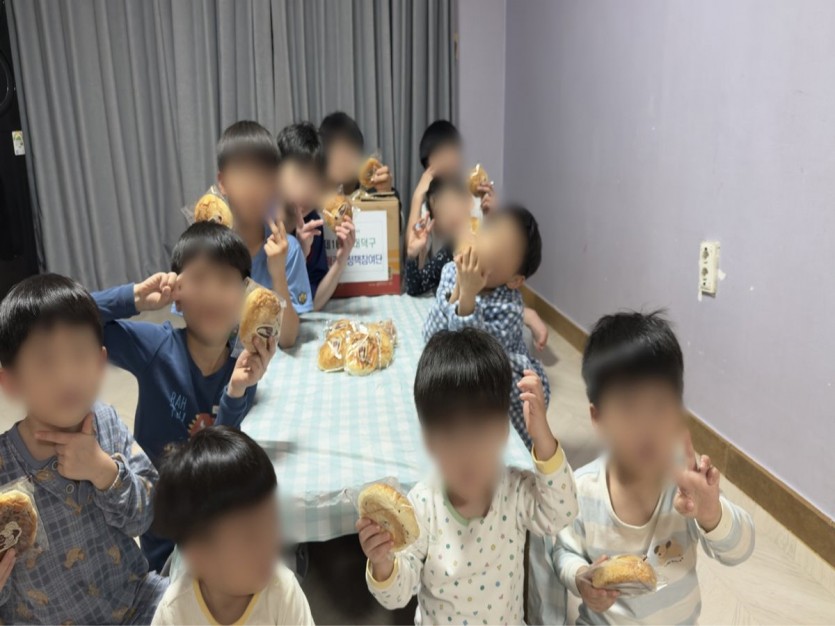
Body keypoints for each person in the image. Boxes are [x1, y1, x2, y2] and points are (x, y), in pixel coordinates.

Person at [359, 328, 577, 625]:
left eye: (480, 431)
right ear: (429, 441)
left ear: (504, 431)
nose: (467, 453)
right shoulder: (423, 504)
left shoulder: (514, 490)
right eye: (450, 434)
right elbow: (397, 596)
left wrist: (543, 438)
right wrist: (382, 562)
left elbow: (562, 512)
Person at [92, 221, 276, 571]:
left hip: (213, 513)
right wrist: (133, 298)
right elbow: (69, 317)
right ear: (177, 292)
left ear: (245, 296)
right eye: (199, 279)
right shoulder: (156, 347)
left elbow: (220, 457)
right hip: (160, 520)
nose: (212, 294)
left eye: (225, 280)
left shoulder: (243, 368)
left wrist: (236, 391)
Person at [554, 312, 755, 624]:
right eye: (628, 407)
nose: (646, 425)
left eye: (660, 405)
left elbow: (739, 550)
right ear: (599, 418)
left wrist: (711, 512)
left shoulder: (685, 488)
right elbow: (563, 552)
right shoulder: (581, 489)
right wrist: (581, 577)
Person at [0, 274, 166, 624]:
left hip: (135, 604)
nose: (67, 376)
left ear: (100, 362)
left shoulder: (106, 421)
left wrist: (103, 471)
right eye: (45, 361)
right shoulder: (4, 469)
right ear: (11, 380)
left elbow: (146, 514)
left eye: (79, 354)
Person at [151, 426, 313, 625]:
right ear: (198, 555)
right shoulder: (175, 612)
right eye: (251, 536)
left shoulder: (283, 592)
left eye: (272, 522)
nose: (272, 542)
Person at [423, 205, 549, 448]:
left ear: (514, 280)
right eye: (488, 231)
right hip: (452, 377)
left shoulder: (510, 307)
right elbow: (432, 337)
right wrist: (460, 287)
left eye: (502, 248)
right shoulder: (451, 271)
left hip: (493, 382)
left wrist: (468, 296)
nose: (486, 245)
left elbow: (475, 359)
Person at [216, 120, 309, 343]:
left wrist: (278, 273)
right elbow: (197, 333)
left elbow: (288, 339)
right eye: (241, 173)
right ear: (223, 182)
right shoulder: (208, 249)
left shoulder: (288, 249)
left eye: (263, 176)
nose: (253, 187)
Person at [276, 121, 356, 310]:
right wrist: (297, 256)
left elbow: (312, 302)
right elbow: (268, 307)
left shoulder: (312, 222)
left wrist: (341, 259)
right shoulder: (260, 223)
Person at [405, 120, 496, 248]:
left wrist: (493, 216)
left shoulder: (479, 196)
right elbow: (412, 248)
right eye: (439, 154)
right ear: (428, 166)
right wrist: (417, 196)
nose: (446, 161)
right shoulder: (430, 207)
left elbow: (496, 246)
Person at [404, 176, 470, 296]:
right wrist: (412, 256)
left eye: (452, 205)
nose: (451, 216)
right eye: (442, 213)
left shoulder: (487, 244)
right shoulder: (447, 254)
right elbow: (415, 287)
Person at [319, 111, 393, 194]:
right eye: (334, 150)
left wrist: (385, 193)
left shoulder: (374, 190)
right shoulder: (314, 196)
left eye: (348, 149)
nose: (342, 158)